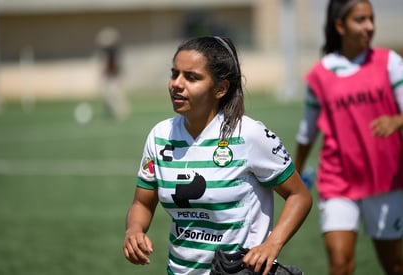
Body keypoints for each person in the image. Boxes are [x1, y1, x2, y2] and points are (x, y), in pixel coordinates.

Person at [123, 36, 312, 275]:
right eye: (174, 74)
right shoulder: (160, 136)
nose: (176, 84)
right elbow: (142, 202)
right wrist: (134, 230)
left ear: (221, 88)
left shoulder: (248, 134)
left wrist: (272, 244)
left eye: (191, 77)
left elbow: (299, 196)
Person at [294, 1, 403, 274]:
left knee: (395, 265)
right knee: (340, 263)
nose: (369, 26)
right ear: (340, 26)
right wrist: (295, 174)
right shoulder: (319, 74)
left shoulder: (389, 62)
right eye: (360, 19)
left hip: (386, 179)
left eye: (371, 18)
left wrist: (398, 120)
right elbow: (307, 131)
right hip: (337, 180)